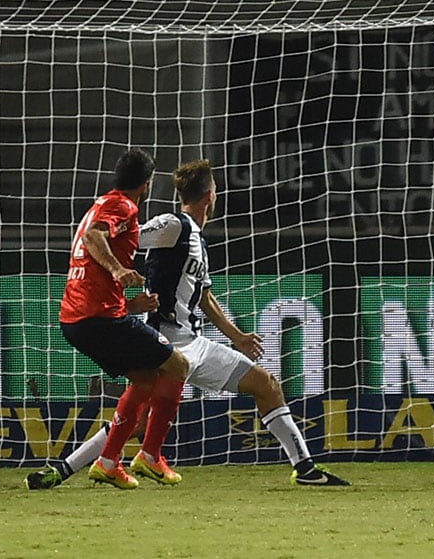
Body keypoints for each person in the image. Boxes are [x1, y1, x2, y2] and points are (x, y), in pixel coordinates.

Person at [27, 159, 350, 490]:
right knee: (136, 419)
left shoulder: (198, 239)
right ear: (211, 196)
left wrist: (236, 336)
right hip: (165, 337)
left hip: (194, 341)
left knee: (266, 385)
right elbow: (128, 239)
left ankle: (306, 468)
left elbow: (205, 298)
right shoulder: (172, 224)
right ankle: (74, 469)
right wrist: (118, 271)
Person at [57, 147, 190, 489]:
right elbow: (92, 237)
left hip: (81, 318)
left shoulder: (99, 205)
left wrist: (132, 305)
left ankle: (108, 462)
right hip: (98, 319)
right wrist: (119, 269)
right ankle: (149, 456)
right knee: (177, 367)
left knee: (145, 380)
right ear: (146, 184)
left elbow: (92, 270)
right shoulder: (122, 206)